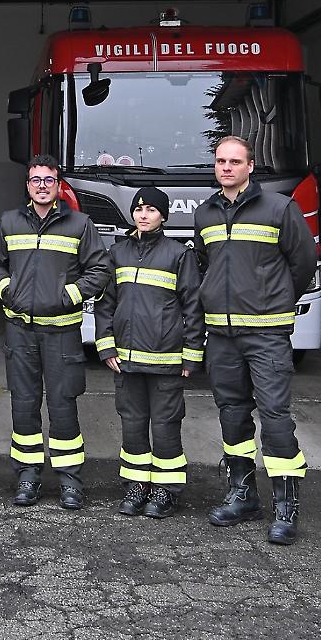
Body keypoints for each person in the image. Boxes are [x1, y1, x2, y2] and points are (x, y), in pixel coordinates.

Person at [194, 135, 316, 545]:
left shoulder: (279, 208)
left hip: (266, 333)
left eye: (235, 161)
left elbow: (303, 263)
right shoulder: (205, 214)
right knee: (232, 413)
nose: (226, 167)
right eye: (220, 161)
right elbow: (207, 266)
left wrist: (276, 299)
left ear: (250, 167)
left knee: (275, 417)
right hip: (222, 335)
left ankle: (285, 507)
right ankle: (243, 494)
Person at [0, 154, 109, 510]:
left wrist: (69, 296)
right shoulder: (10, 222)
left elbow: (99, 269)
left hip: (62, 335)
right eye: (35, 179)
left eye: (48, 180)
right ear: (27, 185)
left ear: (58, 186)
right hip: (20, 332)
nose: (41, 185)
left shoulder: (80, 224)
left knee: (63, 405)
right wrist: (6, 290)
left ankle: (70, 481)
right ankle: (27, 476)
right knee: (23, 405)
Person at [94, 187, 204, 518]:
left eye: (152, 209)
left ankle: (166, 490)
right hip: (126, 360)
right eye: (139, 208)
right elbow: (105, 303)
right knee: (132, 423)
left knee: (166, 425)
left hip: (167, 360)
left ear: (163, 216)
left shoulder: (179, 255)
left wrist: (191, 353)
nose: (144, 214)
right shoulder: (118, 252)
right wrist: (105, 344)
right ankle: (137, 485)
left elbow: (193, 306)